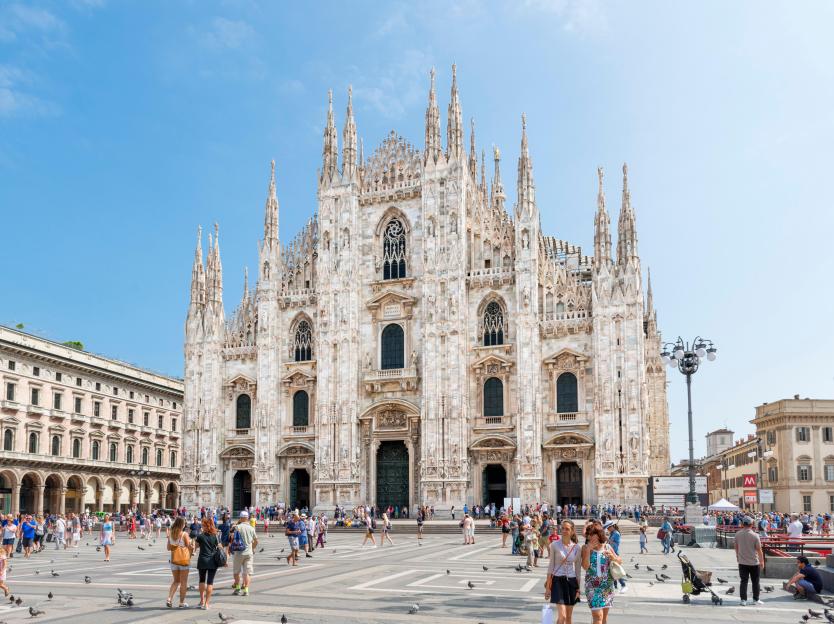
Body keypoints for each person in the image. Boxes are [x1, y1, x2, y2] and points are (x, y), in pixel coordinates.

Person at [581, 523, 620, 624]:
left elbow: (619, 561)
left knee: (603, 619)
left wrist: (613, 557)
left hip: (607, 586)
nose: (589, 537)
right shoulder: (585, 548)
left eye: (592, 534)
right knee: (598, 616)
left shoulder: (607, 547)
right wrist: (589, 550)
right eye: (589, 534)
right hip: (592, 587)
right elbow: (585, 566)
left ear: (599, 535)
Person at [544, 520, 581, 624]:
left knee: (568, 618)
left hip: (571, 582)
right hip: (557, 581)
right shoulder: (554, 545)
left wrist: (578, 589)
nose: (564, 531)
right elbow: (551, 566)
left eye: (567, 529)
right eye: (563, 528)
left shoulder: (577, 547)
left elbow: (578, 571)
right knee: (563, 616)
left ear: (572, 531)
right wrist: (548, 588)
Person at [734, 516, 764, 606]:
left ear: (743, 524)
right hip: (754, 562)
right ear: (751, 524)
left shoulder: (737, 534)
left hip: (742, 562)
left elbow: (736, 547)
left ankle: (743, 600)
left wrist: (737, 556)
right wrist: (762, 561)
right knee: (755, 581)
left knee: (743, 581)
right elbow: (759, 550)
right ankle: (756, 599)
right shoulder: (755, 535)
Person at [195, 517, 223, 610]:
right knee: (210, 582)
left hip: (202, 560)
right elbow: (220, 547)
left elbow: (196, 547)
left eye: (203, 525)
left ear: (206, 526)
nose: (202, 527)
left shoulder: (200, 536)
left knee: (202, 580)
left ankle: (202, 601)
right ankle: (207, 604)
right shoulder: (215, 536)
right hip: (212, 561)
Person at [166, 516, 193, 608]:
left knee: (176, 581)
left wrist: (176, 546)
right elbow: (189, 547)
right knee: (184, 582)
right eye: (184, 523)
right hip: (183, 561)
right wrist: (192, 547)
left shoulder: (171, 533)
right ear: (182, 524)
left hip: (174, 560)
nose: (185, 524)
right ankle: (181, 602)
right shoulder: (184, 534)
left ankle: (169, 598)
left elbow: (168, 548)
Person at [230, 510, 257, 596]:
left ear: (241, 518)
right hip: (248, 553)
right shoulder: (252, 528)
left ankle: (238, 588)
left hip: (238, 552)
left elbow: (231, 537)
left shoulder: (237, 527)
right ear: (247, 518)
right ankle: (246, 590)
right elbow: (256, 541)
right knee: (247, 573)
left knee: (236, 572)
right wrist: (252, 548)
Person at [605, 521, 626, 594]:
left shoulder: (616, 533)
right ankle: (614, 586)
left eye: (609, 527)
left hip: (614, 554)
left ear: (612, 526)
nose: (608, 529)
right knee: (611, 571)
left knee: (616, 571)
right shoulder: (612, 533)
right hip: (611, 553)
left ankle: (623, 585)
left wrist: (606, 539)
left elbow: (613, 543)